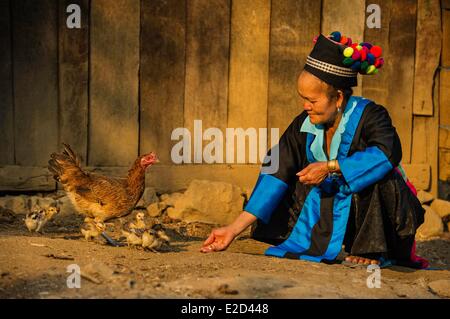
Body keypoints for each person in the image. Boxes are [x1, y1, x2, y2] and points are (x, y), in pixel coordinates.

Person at [200, 31, 428, 268]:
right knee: (282, 166)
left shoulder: (372, 115)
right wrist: (233, 230)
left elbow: (386, 153)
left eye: (313, 100)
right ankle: (310, 238)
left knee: (380, 174)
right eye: (303, 98)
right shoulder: (304, 123)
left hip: (383, 217)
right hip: (338, 211)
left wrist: (331, 167)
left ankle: (372, 250)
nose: (305, 106)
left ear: (338, 98)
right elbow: (277, 167)